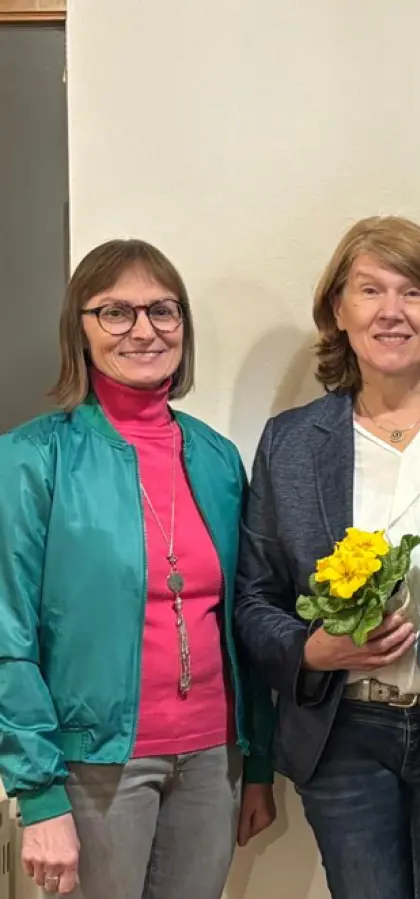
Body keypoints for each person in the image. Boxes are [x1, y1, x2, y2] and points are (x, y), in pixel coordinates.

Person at [233, 216, 420, 899]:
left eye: (414, 292)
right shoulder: (292, 441)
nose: (391, 311)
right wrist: (312, 651)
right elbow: (253, 599)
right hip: (343, 734)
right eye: (370, 290)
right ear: (339, 310)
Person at [0, 239, 276, 898]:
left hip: (213, 759)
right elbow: (8, 638)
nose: (145, 330)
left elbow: (244, 617)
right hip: (94, 763)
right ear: (81, 328)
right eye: (116, 312)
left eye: (162, 310)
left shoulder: (216, 457)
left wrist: (257, 760)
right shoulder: (33, 458)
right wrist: (39, 798)